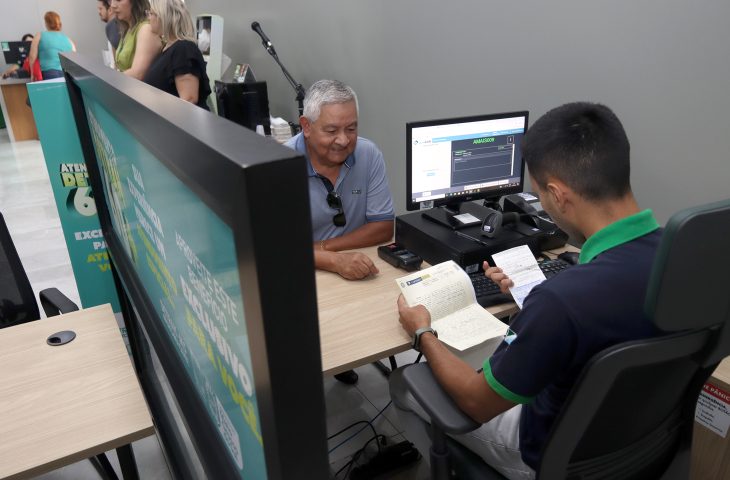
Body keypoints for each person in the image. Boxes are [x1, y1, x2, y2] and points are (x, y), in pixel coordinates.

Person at [391, 102, 662, 479]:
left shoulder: (562, 301)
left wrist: (423, 332)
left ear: (558, 194)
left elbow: (475, 400)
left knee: (404, 377)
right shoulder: (682, 259)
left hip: (548, 452)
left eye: (542, 196)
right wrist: (535, 297)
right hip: (640, 441)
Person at [285, 79, 395, 384]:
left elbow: (384, 227)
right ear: (306, 126)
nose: (343, 140)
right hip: (298, 272)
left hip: (353, 264)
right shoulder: (279, 165)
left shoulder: (369, 154)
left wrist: (323, 250)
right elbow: (276, 249)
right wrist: (334, 261)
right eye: (331, 130)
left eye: (351, 128)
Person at [143, 0, 211, 109]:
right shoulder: (167, 49)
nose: (148, 18)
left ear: (163, 17)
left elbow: (189, 99)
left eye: (151, 13)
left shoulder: (183, 49)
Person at [111, 0, 161, 79]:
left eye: (119, 0)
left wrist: (110, 79)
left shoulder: (146, 29)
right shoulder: (128, 29)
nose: (113, 5)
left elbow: (138, 74)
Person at [28, 12, 76, 81]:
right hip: (67, 75)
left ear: (46, 23)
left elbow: (32, 56)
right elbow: (74, 57)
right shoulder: (68, 40)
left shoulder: (39, 36)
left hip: (49, 73)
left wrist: (32, 74)